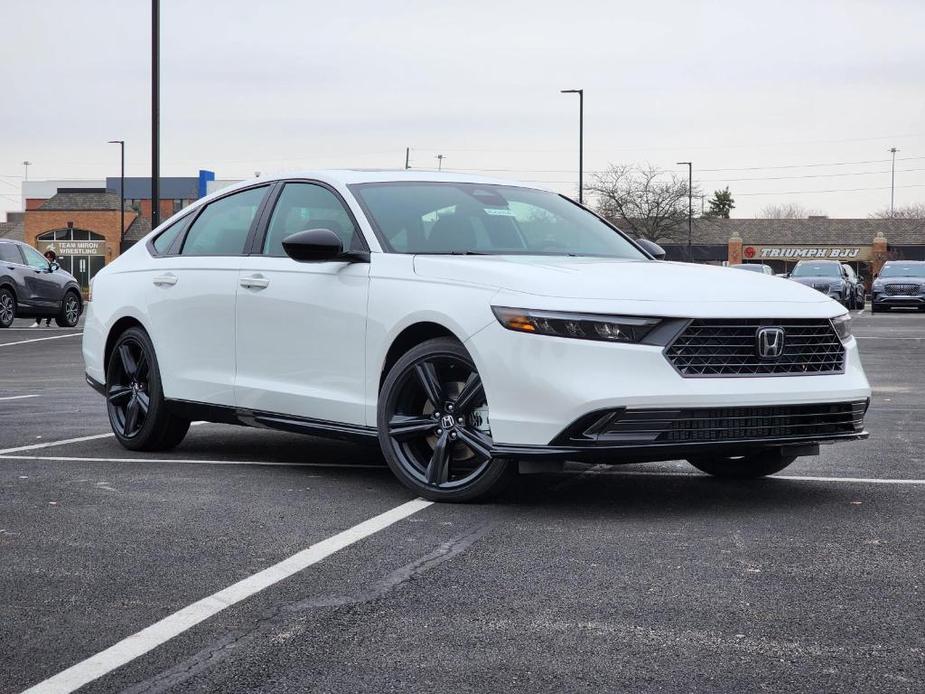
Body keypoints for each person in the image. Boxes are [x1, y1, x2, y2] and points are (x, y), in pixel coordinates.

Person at [30, 250, 58, 328]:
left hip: (51, 286)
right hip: (42, 286)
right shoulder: (41, 264)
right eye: (47, 257)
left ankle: (48, 322)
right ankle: (37, 322)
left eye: (50, 257)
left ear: (53, 258)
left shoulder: (54, 265)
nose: (49, 258)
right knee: (41, 303)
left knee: (50, 304)